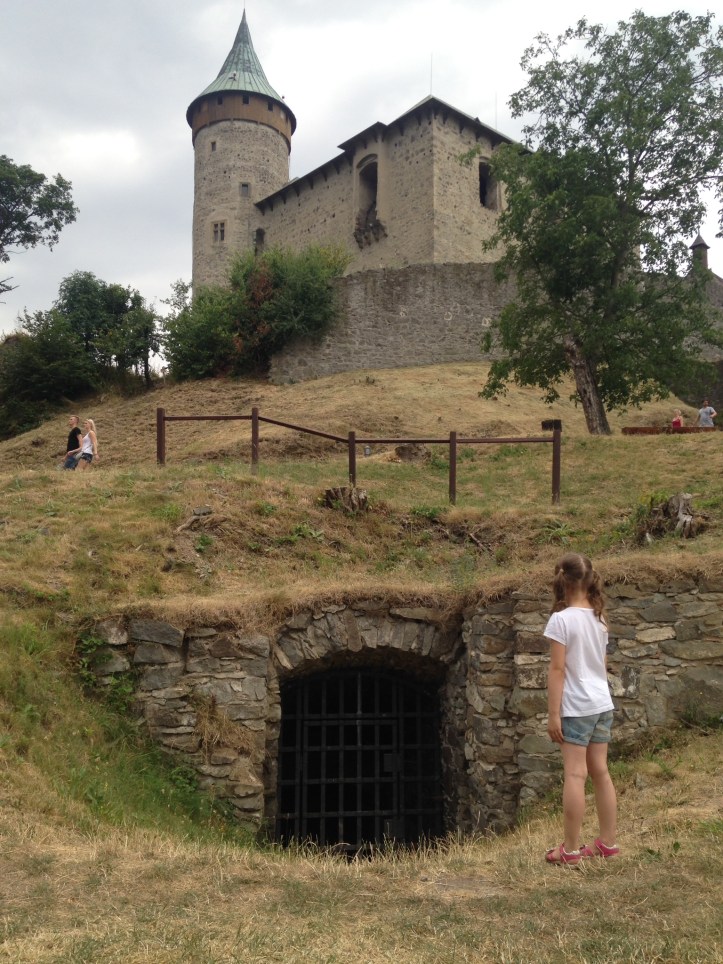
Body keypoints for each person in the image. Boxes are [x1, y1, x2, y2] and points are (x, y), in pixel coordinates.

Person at [543, 553, 619, 865]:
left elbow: (557, 670)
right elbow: (601, 664)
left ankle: (570, 850)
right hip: (602, 703)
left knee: (575, 774)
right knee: (600, 772)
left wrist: (552, 714)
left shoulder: (561, 620)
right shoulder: (600, 618)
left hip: (576, 706)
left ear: (561, 581)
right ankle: (607, 843)